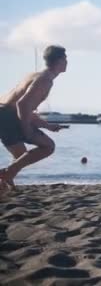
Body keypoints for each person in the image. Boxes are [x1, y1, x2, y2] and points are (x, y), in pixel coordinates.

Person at [0, 45, 68, 193]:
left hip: (3, 112)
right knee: (48, 146)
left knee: (20, 157)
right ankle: (5, 173)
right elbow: (22, 105)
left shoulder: (35, 75)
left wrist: (47, 126)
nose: (67, 61)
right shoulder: (45, 80)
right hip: (6, 115)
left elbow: (25, 108)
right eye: (65, 58)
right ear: (59, 60)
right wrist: (27, 130)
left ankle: (5, 180)